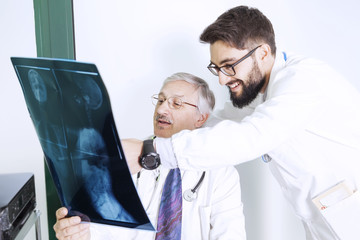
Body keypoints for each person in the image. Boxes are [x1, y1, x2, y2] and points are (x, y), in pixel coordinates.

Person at [123, 6, 360, 240]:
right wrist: (168, 128)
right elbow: (219, 121)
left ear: (263, 54)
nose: (222, 79)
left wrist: (151, 153)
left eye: (229, 65)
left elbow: (250, 137)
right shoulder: (261, 93)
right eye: (217, 68)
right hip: (322, 220)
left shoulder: (304, 81)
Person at [53, 72, 246, 240]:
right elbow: (105, 227)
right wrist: (80, 233)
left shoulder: (221, 173)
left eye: (176, 103)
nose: (161, 110)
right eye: (160, 100)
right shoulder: (127, 156)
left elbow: (230, 235)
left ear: (201, 118)